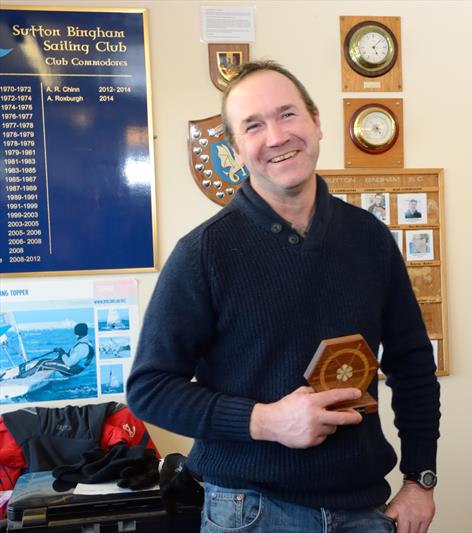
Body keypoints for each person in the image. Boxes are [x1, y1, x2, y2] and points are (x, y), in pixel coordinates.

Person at [126, 60, 440, 533]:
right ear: (236, 149)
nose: (276, 136)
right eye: (253, 125)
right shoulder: (203, 253)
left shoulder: (370, 238)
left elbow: (413, 364)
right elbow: (149, 388)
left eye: (287, 115)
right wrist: (263, 421)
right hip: (248, 511)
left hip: (365, 511)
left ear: (316, 122)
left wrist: (421, 479)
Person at [9, 323, 94, 379]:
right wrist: (62, 352)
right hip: (75, 368)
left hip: (72, 370)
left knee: (43, 364)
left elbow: (69, 363)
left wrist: (62, 352)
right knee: (43, 360)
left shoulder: (82, 346)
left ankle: (19, 378)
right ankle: (26, 374)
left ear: (76, 332)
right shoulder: (86, 342)